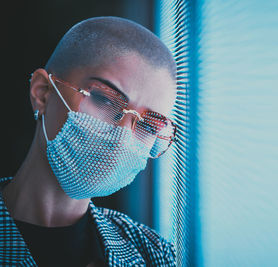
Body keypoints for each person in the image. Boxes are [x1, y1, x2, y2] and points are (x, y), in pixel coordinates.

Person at [0, 16, 177, 267]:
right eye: (105, 100)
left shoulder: (153, 254)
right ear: (43, 93)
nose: (121, 139)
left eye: (149, 125)